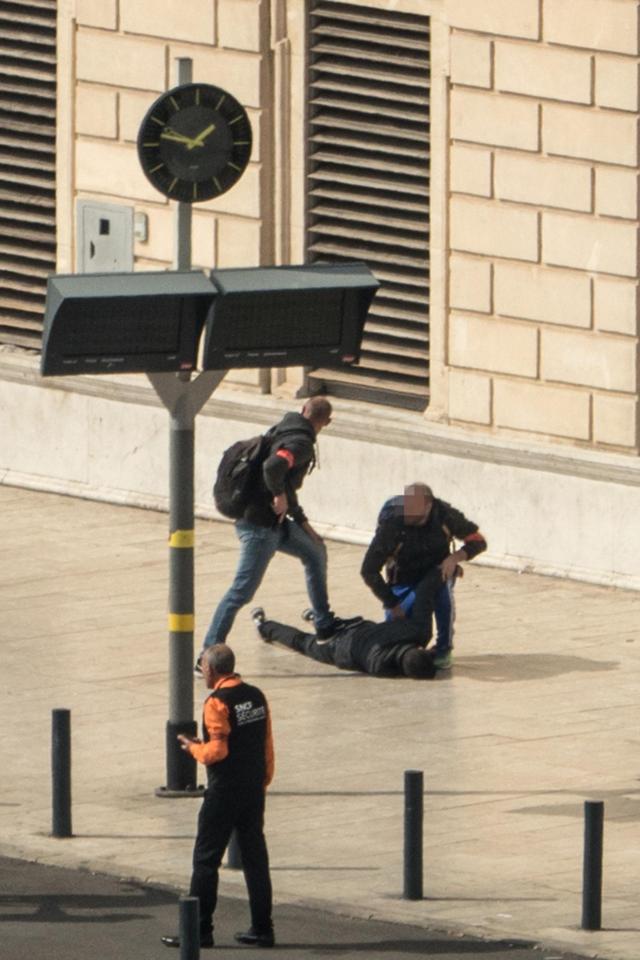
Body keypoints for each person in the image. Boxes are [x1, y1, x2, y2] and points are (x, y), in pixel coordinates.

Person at [199, 398, 344, 667]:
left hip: (273, 524)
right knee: (240, 592)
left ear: (303, 410)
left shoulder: (284, 428)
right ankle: (207, 655)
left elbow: (285, 483)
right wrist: (278, 496)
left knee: (315, 551)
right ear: (326, 422)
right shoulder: (300, 444)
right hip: (259, 528)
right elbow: (273, 467)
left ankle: (324, 625)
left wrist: (303, 524)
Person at [162, 644, 275, 950]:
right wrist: (263, 779)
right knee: (255, 859)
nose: (202, 674)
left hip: (224, 790)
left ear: (211, 670)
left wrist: (192, 748)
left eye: (203, 668)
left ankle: (200, 931)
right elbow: (266, 742)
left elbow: (218, 751)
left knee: (206, 860)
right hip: (252, 788)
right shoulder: (256, 695)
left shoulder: (216, 702)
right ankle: (263, 928)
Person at [360, 482, 487, 670]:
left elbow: (477, 541)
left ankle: (444, 648)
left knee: (443, 598)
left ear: (429, 507)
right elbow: (369, 570)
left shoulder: (444, 515)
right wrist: (391, 603)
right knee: (398, 624)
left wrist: (454, 558)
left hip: (438, 571)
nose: (408, 514)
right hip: (402, 579)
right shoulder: (392, 524)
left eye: (414, 510)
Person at [252, 607, 436, 679]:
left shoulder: (409, 634)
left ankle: (318, 620)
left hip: (357, 628)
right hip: (340, 649)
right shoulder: (381, 667)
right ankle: (263, 625)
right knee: (302, 642)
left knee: (327, 629)